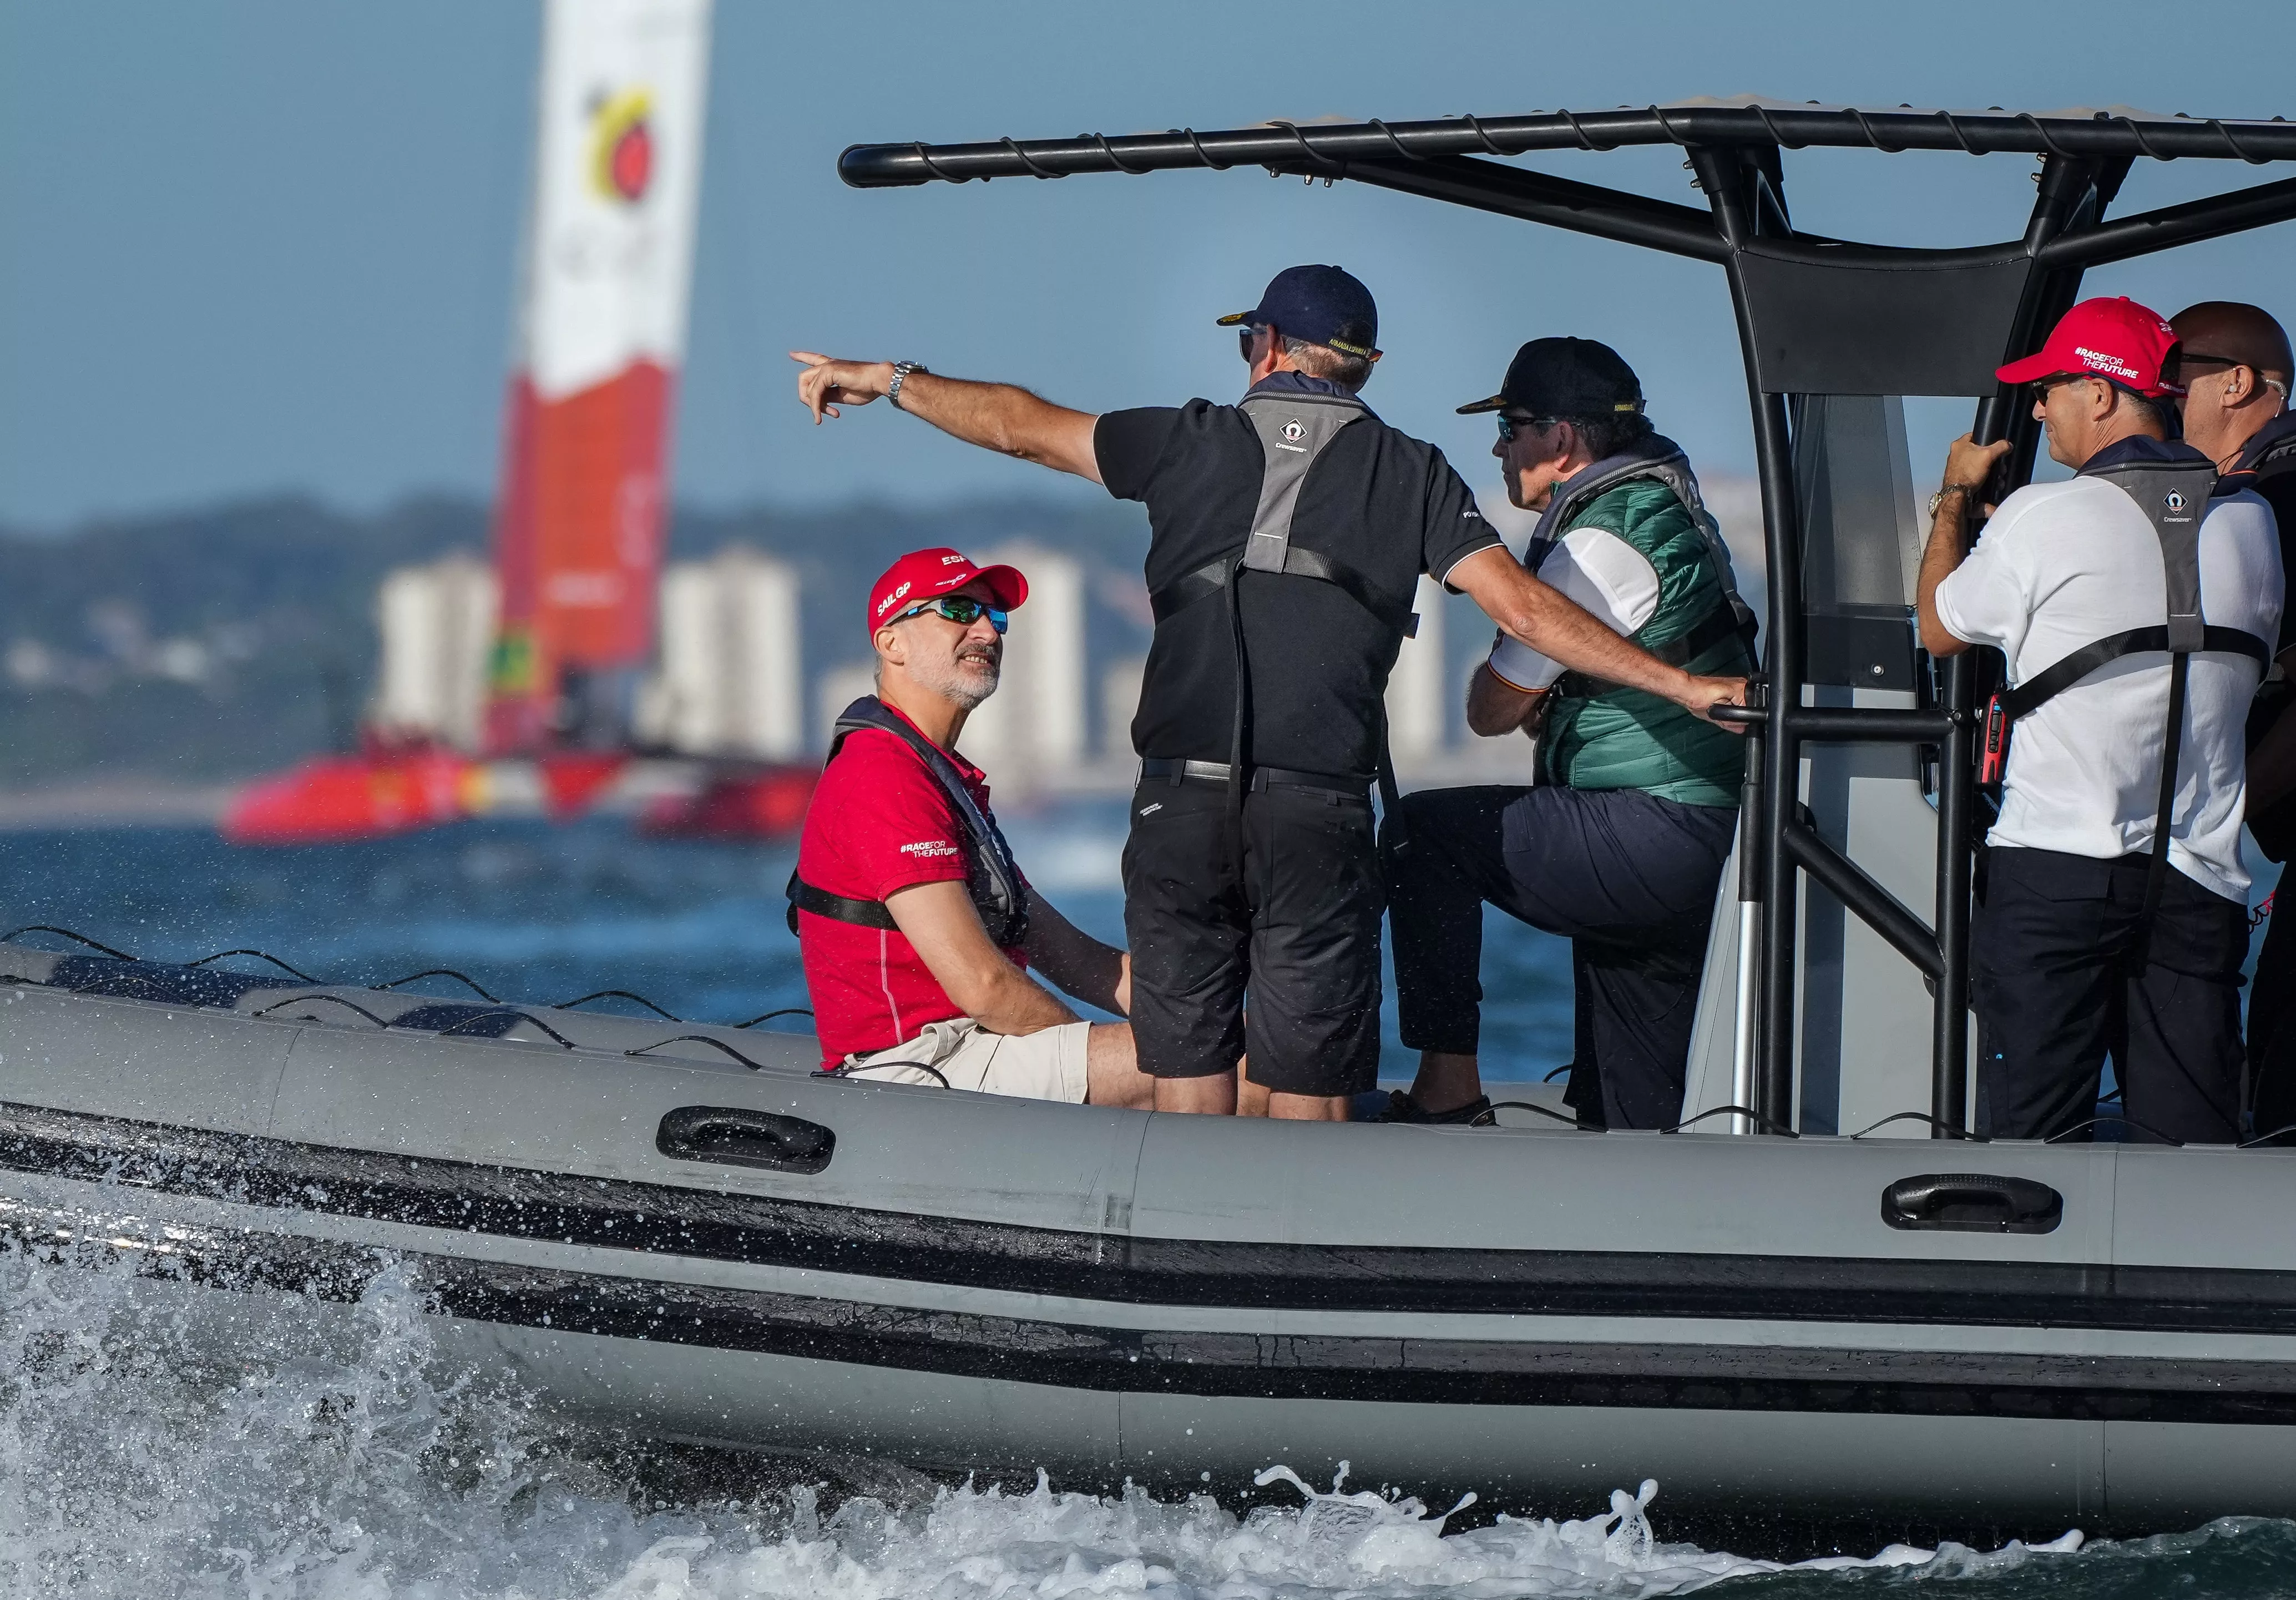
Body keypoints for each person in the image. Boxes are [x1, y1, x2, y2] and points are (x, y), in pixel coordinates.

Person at [793, 267, 1745, 1120]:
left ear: (1265, 347)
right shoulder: (1413, 473)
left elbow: (1017, 426)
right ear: (1362, 366)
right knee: (1305, 1099)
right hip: (1313, 813)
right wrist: (1684, 684)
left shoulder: (1183, 441)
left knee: (1192, 1087)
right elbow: (1528, 615)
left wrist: (891, 380)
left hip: (1179, 803)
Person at [1915, 296, 2283, 1144]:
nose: (2038, 407)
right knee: (2191, 1149)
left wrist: (1954, 501)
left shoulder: (2041, 516)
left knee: (2029, 1144)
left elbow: (1937, 625)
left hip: (2055, 873)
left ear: (2106, 393)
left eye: (2051, 387)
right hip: (2198, 882)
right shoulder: (2252, 522)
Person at [1382, 339, 1756, 1129]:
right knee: (1630, 1092)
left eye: (1511, 426)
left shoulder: (1596, 545)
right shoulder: (1653, 504)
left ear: (1559, 439)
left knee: (1423, 836)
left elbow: (1489, 708)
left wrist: (1525, 690)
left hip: (1653, 822)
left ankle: (1446, 1087)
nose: (1498, 446)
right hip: (1693, 818)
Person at [790, 548, 1156, 1108]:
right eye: (958, 611)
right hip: (921, 1070)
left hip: (972, 1048)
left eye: (996, 617)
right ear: (893, 643)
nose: (988, 630)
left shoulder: (938, 775)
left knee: (1243, 1050)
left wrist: (1208, 1014)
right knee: (1235, 1072)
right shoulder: (882, 772)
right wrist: (1094, 1049)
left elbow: (1079, 959)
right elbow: (985, 988)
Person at [2168, 302, 2296, 1134]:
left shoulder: (2277, 496)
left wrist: (2226, 806)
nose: (2154, 404)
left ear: (2236, 382)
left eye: (2167, 384)